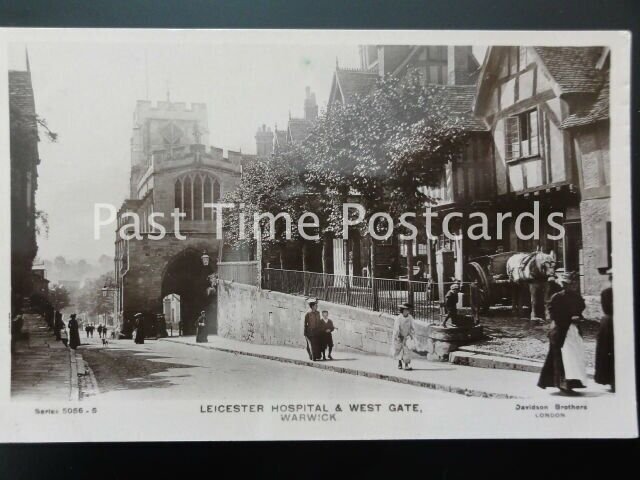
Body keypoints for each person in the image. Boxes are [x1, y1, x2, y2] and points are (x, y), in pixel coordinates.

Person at [537, 272, 587, 395]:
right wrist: (570, 318)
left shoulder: (577, 297)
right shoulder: (557, 297)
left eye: (574, 283)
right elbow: (554, 315)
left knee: (573, 357)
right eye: (570, 284)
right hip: (560, 331)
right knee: (562, 358)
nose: (573, 286)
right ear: (564, 285)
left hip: (573, 331)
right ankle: (563, 384)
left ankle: (572, 382)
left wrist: (579, 317)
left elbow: (580, 309)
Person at [595, 273, 614, 391]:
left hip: (609, 322)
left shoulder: (606, 292)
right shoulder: (607, 293)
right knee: (607, 350)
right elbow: (606, 308)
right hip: (610, 322)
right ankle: (609, 378)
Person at [391, 303, 415, 370]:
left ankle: (406, 364)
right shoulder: (399, 318)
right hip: (399, 336)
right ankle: (399, 363)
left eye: (408, 310)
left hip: (407, 336)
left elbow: (412, 327)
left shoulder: (410, 317)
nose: (407, 311)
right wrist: (398, 335)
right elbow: (396, 327)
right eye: (406, 310)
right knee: (399, 350)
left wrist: (411, 334)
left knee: (407, 350)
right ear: (403, 310)